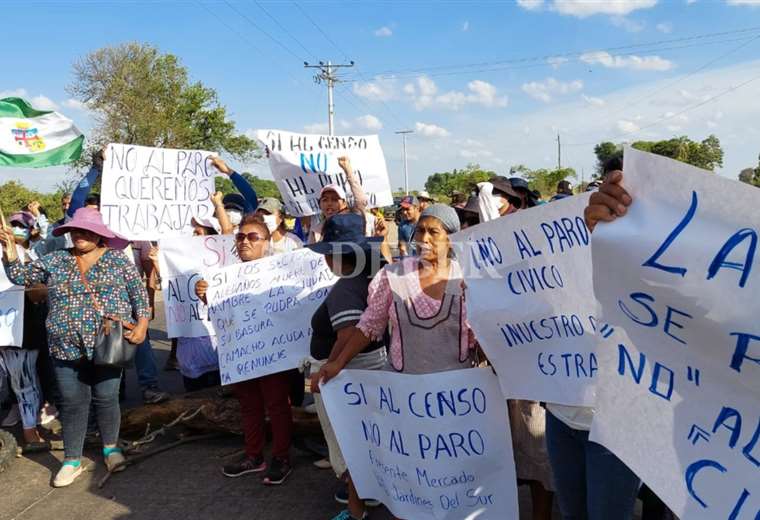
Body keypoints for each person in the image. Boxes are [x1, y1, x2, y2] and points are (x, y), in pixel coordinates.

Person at [1, 207, 150, 488]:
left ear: (100, 235)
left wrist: (142, 325)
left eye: (86, 230)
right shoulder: (56, 259)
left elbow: (139, 296)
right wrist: (9, 248)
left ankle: (111, 449)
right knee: (72, 402)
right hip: (64, 345)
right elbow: (20, 277)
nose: (80, 235)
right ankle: (71, 460)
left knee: (107, 398)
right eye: (76, 230)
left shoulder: (118, 261)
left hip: (108, 344)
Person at [543, 159, 640, 520]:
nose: (619, 199)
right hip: (561, 415)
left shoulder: (666, 262)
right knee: (572, 513)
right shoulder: (566, 247)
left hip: (617, 423)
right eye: (611, 189)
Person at [317, 203, 476, 379]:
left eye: (433, 232)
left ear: (450, 239)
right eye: (420, 231)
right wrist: (338, 363)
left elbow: (483, 331)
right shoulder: (394, 276)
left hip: (457, 389)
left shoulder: (466, 278)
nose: (424, 238)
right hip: (404, 388)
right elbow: (369, 325)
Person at [195, 215, 293, 485]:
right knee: (249, 406)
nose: (245, 242)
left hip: (273, 352)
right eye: (240, 237)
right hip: (241, 353)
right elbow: (222, 315)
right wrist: (206, 294)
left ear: (266, 242)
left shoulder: (280, 271)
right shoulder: (226, 276)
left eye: (253, 237)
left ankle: (281, 457)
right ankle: (254, 456)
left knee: (276, 406)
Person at [307, 213, 387, 520]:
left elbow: (349, 333)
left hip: (349, 373)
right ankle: (369, 494)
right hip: (368, 369)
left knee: (350, 441)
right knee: (366, 437)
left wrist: (329, 367)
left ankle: (357, 509)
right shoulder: (372, 277)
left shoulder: (346, 288)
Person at [0, 212, 50, 453]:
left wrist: (14, 260)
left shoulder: (26, 255)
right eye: (12, 225)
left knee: (24, 380)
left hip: (20, 330)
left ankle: (30, 428)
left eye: (20, 227)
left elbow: (39, 294)